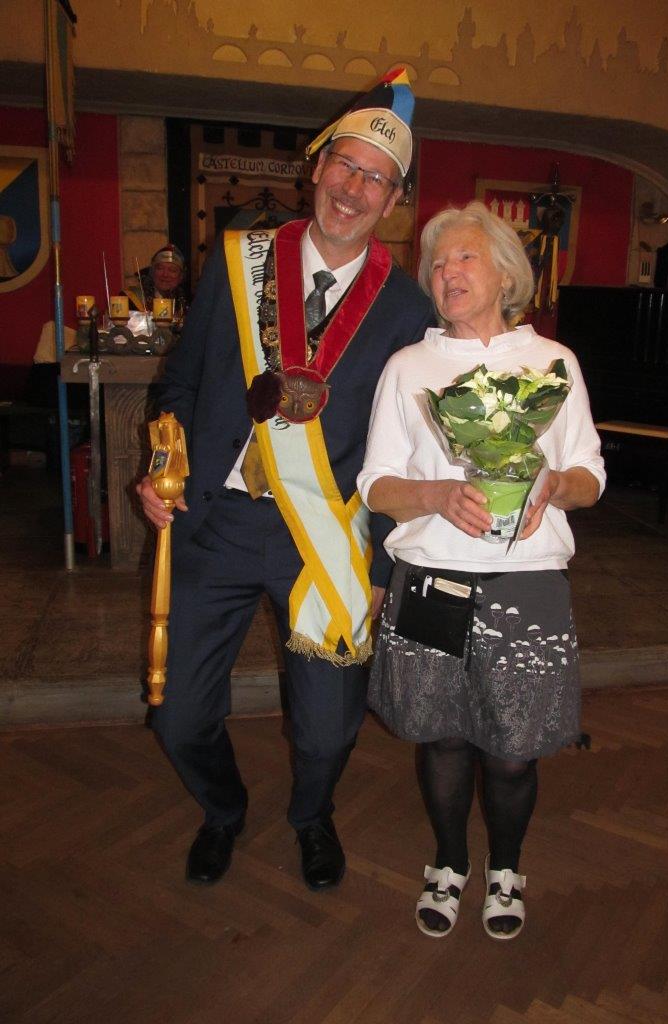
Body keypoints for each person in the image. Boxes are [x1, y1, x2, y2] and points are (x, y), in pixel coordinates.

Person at [137, 68, 433, 891]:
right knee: (177, 716)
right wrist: (163, 466)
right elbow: (180, 384)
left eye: (376, 179)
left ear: (393, 200)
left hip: (327, 536)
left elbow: (408, 450)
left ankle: (312, 815)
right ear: (316, 167)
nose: (353, 189)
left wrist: (383, 564)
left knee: (329, 732)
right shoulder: (238, 261)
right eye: (345, 165)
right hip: (216, 521)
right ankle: (222, 810)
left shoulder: (409, 310)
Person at [357, 200, 605, 939]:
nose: (447, 273)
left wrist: (554, 485)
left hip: (527, 583)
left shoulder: (554, 364)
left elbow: (591, 476)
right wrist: (436, 495)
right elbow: (375, 485)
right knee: (442, 740)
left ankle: (506, 868)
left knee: (514, 751)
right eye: (437, 264)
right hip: (432, 578)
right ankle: (448, 861)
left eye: (464, 257)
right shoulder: (408, 367)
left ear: (505, 273)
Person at [125, 243, 188, 319]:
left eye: (172, 270)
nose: (165, 274)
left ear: (181, 276)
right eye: (160, 268)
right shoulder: (132, 299)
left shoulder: (185, 301)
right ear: (152, 272)